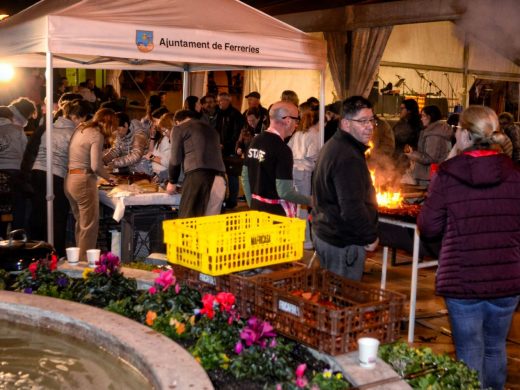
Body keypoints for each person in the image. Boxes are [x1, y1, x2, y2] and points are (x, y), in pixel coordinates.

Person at [417, 106, 520, 390]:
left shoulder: (448, 174)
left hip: (461, 279)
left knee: (470, 353)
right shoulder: (514, 172)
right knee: (495, 349)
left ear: (463, 134)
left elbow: (428, 226)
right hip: (506, 279)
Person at [311, 96, 379, 281]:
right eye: (362, 121)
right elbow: (351, 207)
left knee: (330, 296)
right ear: (346, 124)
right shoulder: (348, 156)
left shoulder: (335, 145)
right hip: (342, 241)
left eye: (371, 120)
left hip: (327, 232)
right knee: (342, 301)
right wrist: (370, 236)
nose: (369, 126)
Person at [30, 99, 92, 256]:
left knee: (39, 214)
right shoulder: (73, 133)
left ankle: (37, 253)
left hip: (37, 172)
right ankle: (56, 255)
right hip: (56, 176)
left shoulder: (50, 127)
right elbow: (77, 162)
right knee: (57, 218)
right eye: (84, 119)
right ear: (78, 117)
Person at [242, 101, 311, 217]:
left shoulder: (255, 141)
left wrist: (252, 204)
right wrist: (311, 201)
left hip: (256, 209)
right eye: (296, 120)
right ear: (288, 120)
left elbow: (245, 178)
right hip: (277, 215)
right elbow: (285, 192)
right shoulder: (283, 150)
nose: (296, 125)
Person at [65, 108, 117, 262]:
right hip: (84, 181)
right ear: (109, 123)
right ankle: (84, 266)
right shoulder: (97, 134)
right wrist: (109, 178)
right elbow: (95, 165)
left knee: (81, 224)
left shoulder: (81, 128)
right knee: (89, 226)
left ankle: (76, 261)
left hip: (70, 179)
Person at [166, 110, 226, 218]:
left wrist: (172, 181)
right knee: (211, 225)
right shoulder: (212, 130)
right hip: (221, 179)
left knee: (189, 224)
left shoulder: (179, 128)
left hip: (198, 179)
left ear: (177, 121)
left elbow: (175, 159)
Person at [0, 97, 37, 234]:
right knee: (20, 204)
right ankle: (18, 234)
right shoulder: (17, 129)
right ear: (9, 117)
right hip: (15, 172)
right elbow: (25, 153)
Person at [288, 108, 320, 249]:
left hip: (293, 170)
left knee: (294, 206)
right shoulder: (313, 134)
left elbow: (288, 149)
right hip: (304, 172)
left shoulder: (297, 133)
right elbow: (312, 154)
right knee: (303, 207)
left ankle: (296, 238)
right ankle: (306, 240)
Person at [404, 105, 452, 187]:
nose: (421, 118)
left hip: (427, 177)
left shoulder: (434, 135)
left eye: (423, 116)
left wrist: (412, 154)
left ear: (429, 117)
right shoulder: (438, 131)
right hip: (433, 174)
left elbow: (430, 158)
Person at [215, 92, 244, 209]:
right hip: (219, 149)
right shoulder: (218, 113)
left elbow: (237, 133)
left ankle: (232, 200)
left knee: (232, 175)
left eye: (222, 100)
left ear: (229, 101)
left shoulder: (236, 114)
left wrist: (225, 145)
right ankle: (222, 198)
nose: (220, 103)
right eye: (219, 100)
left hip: (231, 149)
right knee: (221, 175)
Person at [392, 99, 422, 176]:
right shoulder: (400, 123)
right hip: (396, 160)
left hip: (407, 163)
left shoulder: (417, 125)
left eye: (402, 108)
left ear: (409, 111)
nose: (400, 111)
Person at [146, 112, 173, 182]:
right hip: (157, 172)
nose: (153, 124)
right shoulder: (161, 137)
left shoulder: (167, 139)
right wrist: (152, 137)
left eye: (154, 121)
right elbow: (151, 152)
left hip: (162, 173)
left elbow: (167, 162)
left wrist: (152, 157)